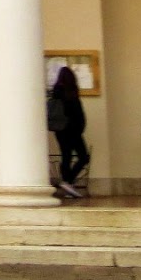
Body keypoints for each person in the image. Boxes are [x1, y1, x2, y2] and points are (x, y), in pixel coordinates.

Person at [50, 65, 89, 199]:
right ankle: (68, 181)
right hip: (73, 130)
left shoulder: (56, 92)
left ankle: (68, 185)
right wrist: (81, 127)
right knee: (83, 156)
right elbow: (77, 113)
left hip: (61, 130)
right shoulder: (71, 91)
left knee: (66, 156)